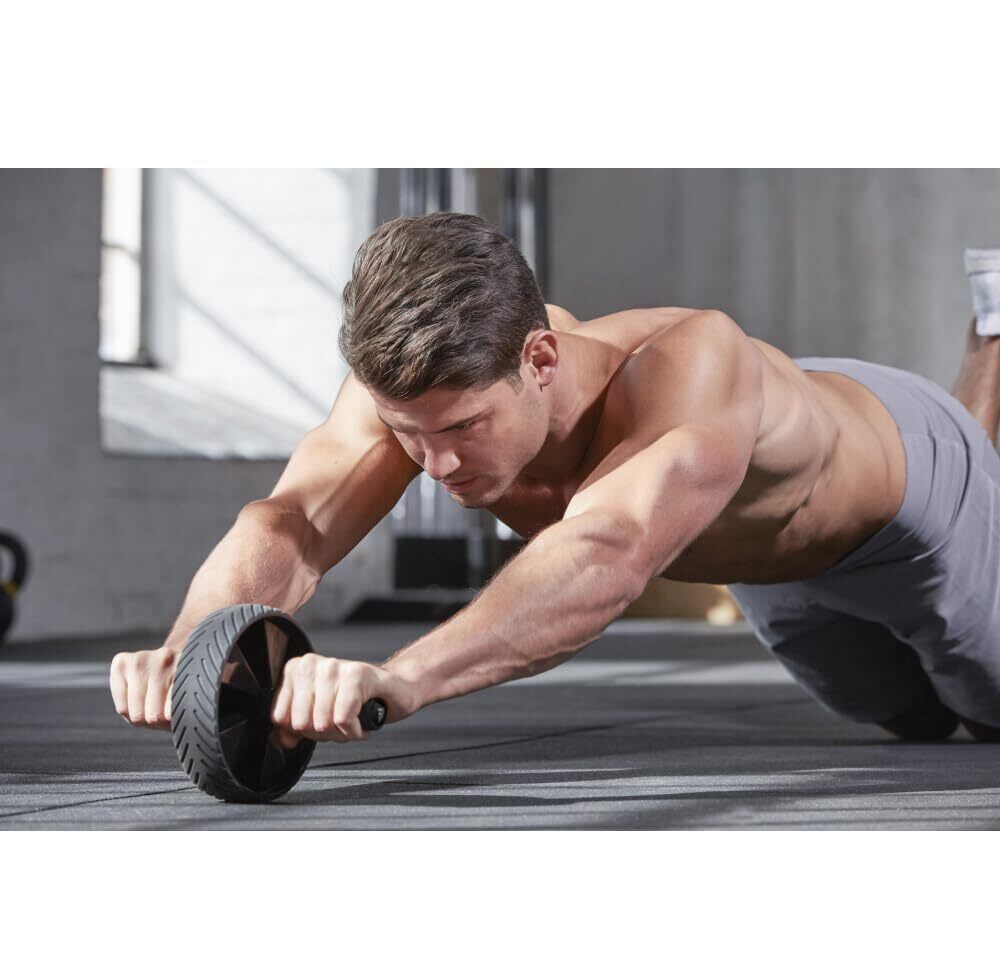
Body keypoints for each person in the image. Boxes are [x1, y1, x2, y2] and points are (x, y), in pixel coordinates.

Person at [109, 212, 1000, 747]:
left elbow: (606, 549)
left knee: (987, 716)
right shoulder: (420, 393)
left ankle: (991, 335)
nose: (437, 465)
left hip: (910, 497)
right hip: (764, 555)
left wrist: (404, 678)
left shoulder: (691, 363)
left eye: (463, 429)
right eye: (410, 435)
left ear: (540, 359)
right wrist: (193, 647)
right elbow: (293, 521)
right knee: (909, 723)